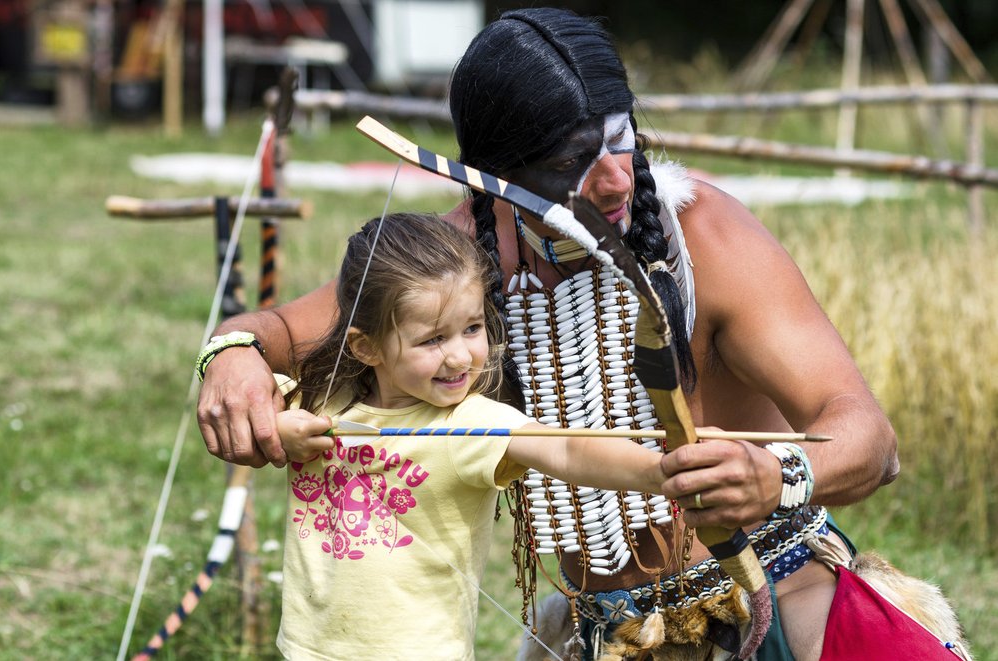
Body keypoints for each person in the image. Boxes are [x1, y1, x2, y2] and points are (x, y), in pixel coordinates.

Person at [196, 8, 903, 660]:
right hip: (602, 632)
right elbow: (273, 332)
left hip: (774, 601)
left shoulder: (706, 241)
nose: (616, 180)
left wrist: (778, 476)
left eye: (622, 143)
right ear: (497, 175)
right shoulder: (458, 264)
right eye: (573, 160)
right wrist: (232, 355)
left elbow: (869, 438)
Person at [268, 211, 675, 660]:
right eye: (431, 340)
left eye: (473, 328)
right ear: (366, 347)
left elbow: (563, 446)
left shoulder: (471, 424)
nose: (460, 355)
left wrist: (664, 470)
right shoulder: (319, 400)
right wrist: (279, 430)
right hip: (306, 650)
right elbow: (248, 402)